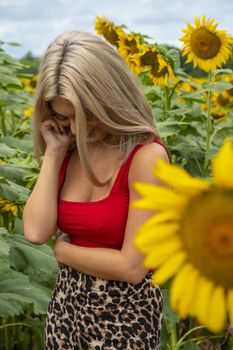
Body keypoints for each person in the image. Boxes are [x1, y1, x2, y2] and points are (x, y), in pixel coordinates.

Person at [22, 30, 170, 350]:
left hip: (126, 315)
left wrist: (63, 251)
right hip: (66, 308)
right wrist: (55, 153)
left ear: (109, 100)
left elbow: (131, 267)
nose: (75, 129)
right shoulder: (70, 149)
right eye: (64, 116)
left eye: (84, 116)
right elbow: (35, 231)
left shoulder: (146, 158)